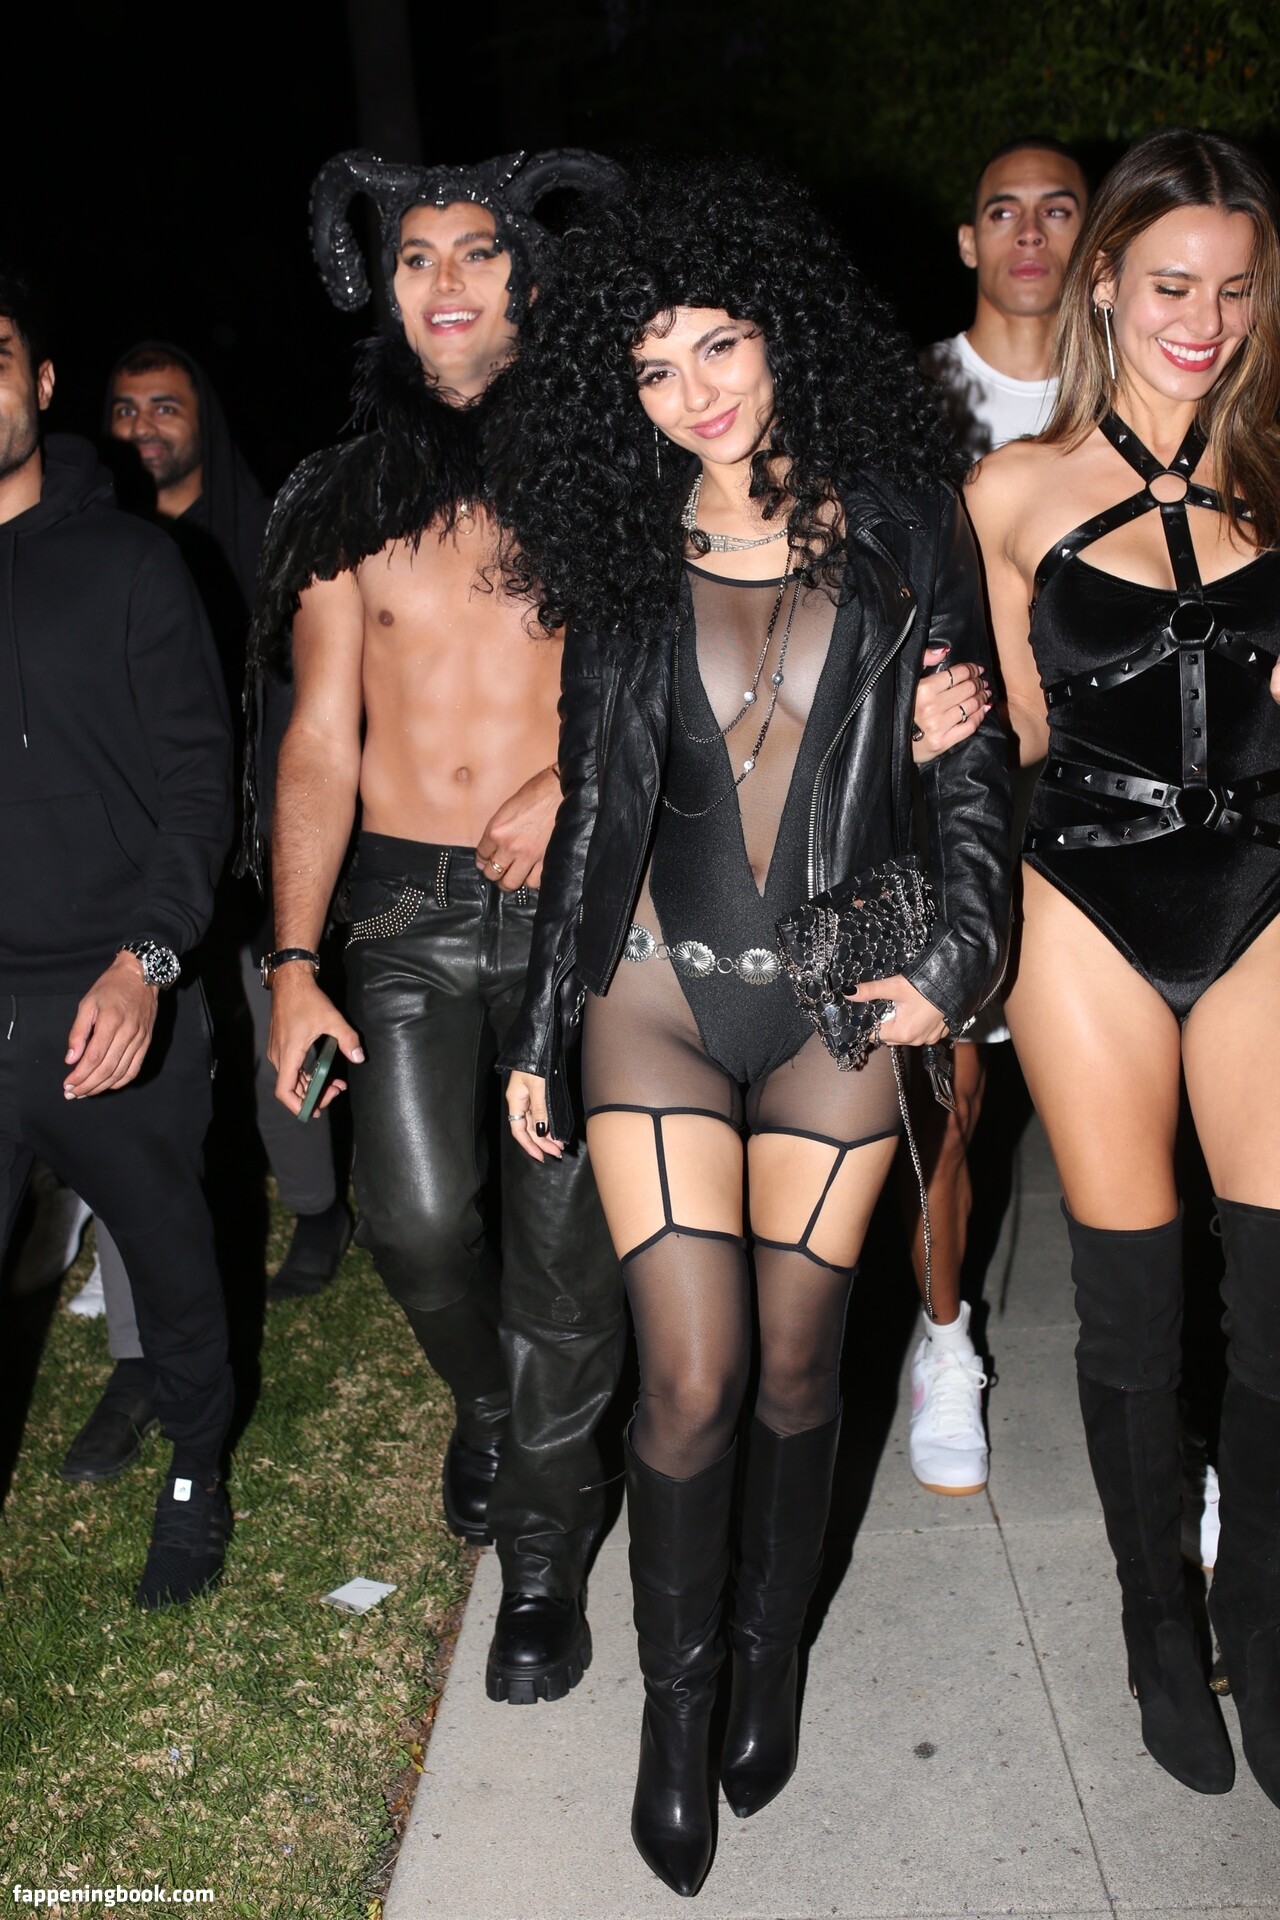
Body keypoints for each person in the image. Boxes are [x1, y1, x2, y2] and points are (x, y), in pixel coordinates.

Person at [497, 159, 1011, 1896]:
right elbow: (590, 806)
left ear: (783, 331)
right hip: (652, 998)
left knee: (800, 1364)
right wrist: (541, 1019)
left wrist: (963, 951)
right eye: (652, 366)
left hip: (833, 1000)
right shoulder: (627, 547)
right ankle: (673, 1712)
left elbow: (971, 756)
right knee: (695, 1375)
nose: (694, 391)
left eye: (719, 344)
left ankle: (771, 1656)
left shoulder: (903, 521)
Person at [247, 149, 627, 1707]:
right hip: (402, 907)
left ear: (529, 274)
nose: (448, 281)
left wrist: (574, 778)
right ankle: (490, 1406)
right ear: (384, 287)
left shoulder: (609, 465)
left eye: (478, 249)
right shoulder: (347, 499)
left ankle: (541, 1554)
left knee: (562, 1255)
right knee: (411, 1222)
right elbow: (318, 738)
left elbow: (680, 674)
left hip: (572, 902)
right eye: (416, 256)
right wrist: (292, 965)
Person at [965, 128, 1280, 1809]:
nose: (1202, 323)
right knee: (1138, 1304)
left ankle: (1263, 1626)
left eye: (1235, 289)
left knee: (1276, 1300)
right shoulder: (1011, 493)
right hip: (1084, 894)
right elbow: (1005, 737)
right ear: (1103, 283)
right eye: (1170, 286)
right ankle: (1159, 1622)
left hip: (1263, 891)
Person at [0, 269, 234, 1607]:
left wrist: (148, 961)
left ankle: (197, 1471)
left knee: (170, 1255)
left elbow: (201, 782)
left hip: (110, 990)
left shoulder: (139, 563)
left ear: (39, 382)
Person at [906, 137, 1090, 1498]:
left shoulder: (1144, 381)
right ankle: (944, 1338)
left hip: (1104, 791)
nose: (1030, 233)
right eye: (1003, 212)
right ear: (969, 241)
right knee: (951, 1098)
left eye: (1059, 209)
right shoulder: (910, 399)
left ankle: (1184, 1397)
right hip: (953, 788)